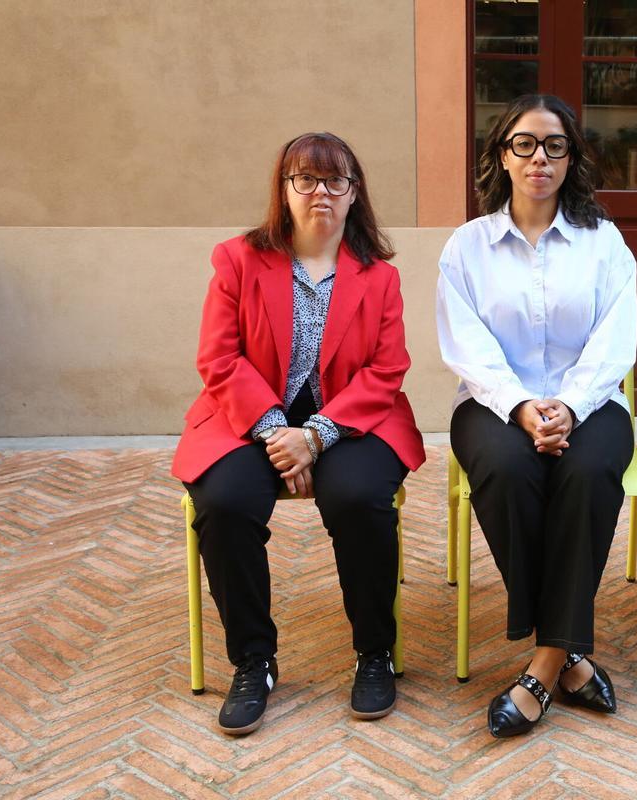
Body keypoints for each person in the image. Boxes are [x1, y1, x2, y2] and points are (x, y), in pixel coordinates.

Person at [171, 132, 425, 735]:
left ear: (354, 193)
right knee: (225, 502)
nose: (320, 193)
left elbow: (386, 369)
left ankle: (374, 653)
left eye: (335, 181)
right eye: (304, 179)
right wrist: (273, 432)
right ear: (283, 191)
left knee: (359, 498)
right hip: (248, 419)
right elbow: (219, 358)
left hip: (353, 420)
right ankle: (253, 661)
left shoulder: (378, 278)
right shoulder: (237, 260)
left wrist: (314, 435)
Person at [436, 94, 637, 738]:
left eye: (554, 145)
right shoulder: (467, 247)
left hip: (593, 401)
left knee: (588, 472)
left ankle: (546, 662)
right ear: (502, 154)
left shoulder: (603, 242)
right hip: (493, 403)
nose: (538, 158)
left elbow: (615, 339)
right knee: (504, 467)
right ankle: (572, 653)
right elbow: (464, 343)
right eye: (523, 143)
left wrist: (571, 406)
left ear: (571, 157)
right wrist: (522, 407)